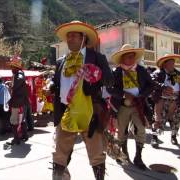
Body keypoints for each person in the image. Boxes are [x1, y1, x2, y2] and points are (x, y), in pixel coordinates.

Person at [51, 20, 114, 180]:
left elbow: (110, 80)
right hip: (66, 112)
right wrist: (51, 86)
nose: (69, 39)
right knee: (60, 154)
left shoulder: (97, 58)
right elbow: (56, 81)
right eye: (68, 36)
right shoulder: (61, 61)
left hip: (90, 112)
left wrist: (95, 77)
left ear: (83, 38)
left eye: (74, 36)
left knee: (96, 154)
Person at [108, 44, 154, 170]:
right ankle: (124, 154)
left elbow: (151, 85)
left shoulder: (141, 70)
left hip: (138, 106)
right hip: (122, 106)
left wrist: (141, 95)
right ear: (123, 58)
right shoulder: (116, 72)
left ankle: (138, 157)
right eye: (128, 56)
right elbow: (109, 88)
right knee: (122, 132)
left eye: (133, 56)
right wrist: (123, 94)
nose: (132, 59)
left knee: (141, 129)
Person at [151, 54, 180, 148]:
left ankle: (173, 136)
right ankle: (154, 138)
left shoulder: (177, 74)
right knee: (158, 119)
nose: (173, 65)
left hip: (175, 100)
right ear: (165, 64)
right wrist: (163, 87)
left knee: (175, 120)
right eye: (170, 63)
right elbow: (152, 81)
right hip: (162, 100)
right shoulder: (159, 73)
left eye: (173, 63)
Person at [7, 55, 29, 145]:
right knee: (22, 120)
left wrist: (12, 86)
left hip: (17, 103)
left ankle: (16, 139)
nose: (10, 68)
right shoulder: (20, 73)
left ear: (15, 66)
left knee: (13, 122)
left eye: (11, 66)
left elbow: (19, 81)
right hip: (22, 102)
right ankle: (24, 135)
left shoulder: (18, 74)